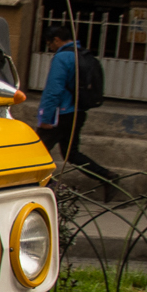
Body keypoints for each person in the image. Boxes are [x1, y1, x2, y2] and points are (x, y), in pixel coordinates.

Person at [35, 27, 122, 195]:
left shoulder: (62, 57)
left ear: (57, 40)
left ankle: (53, 188)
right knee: (72, 154)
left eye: (49, 43)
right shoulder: (82, 54)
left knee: (33, 153)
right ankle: (107, 176)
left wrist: (45, 118)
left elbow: (54, 90)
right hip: (78, 112)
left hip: (61, 115)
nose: (50, 47)